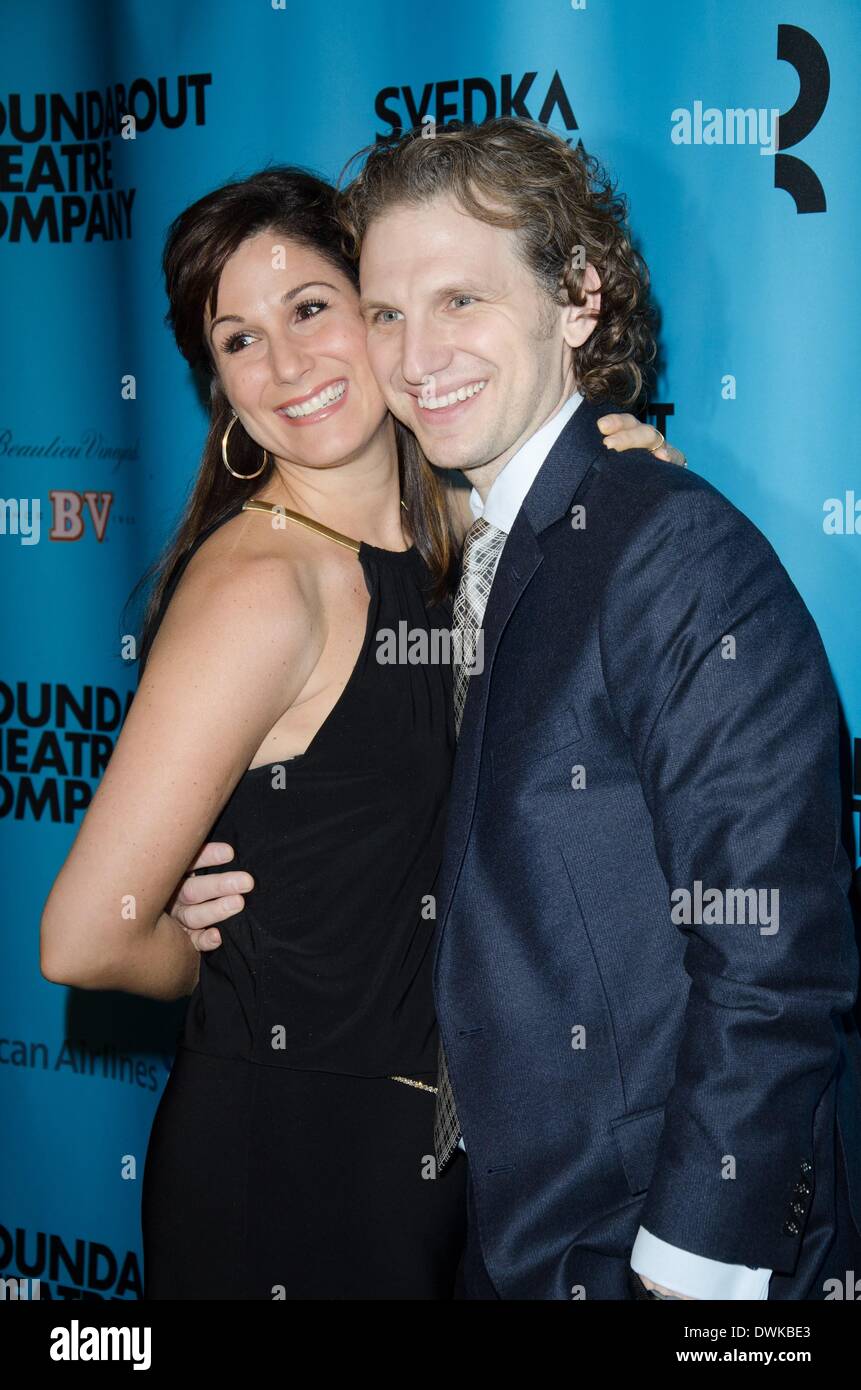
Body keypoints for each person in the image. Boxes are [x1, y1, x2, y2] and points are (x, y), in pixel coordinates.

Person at [185, 118, 861, 1301]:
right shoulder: (490, 544)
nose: (416, 353)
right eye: (387, 313)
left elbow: (777, 953)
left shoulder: (671, 551)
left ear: (577, 299)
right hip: (507, 1238)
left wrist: (688, 1268)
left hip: (653, 1251)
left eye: (461, 300)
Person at [39, 162, 674, 1300]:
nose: (285, 367)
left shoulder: (459, 538)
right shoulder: (263, 584)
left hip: (443, 1166)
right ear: (217, 384)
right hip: (290, 1168)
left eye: (311, 309)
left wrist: (630, 478)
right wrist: (207, 950)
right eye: (237, 340)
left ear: (378, 316)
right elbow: (85, 934)